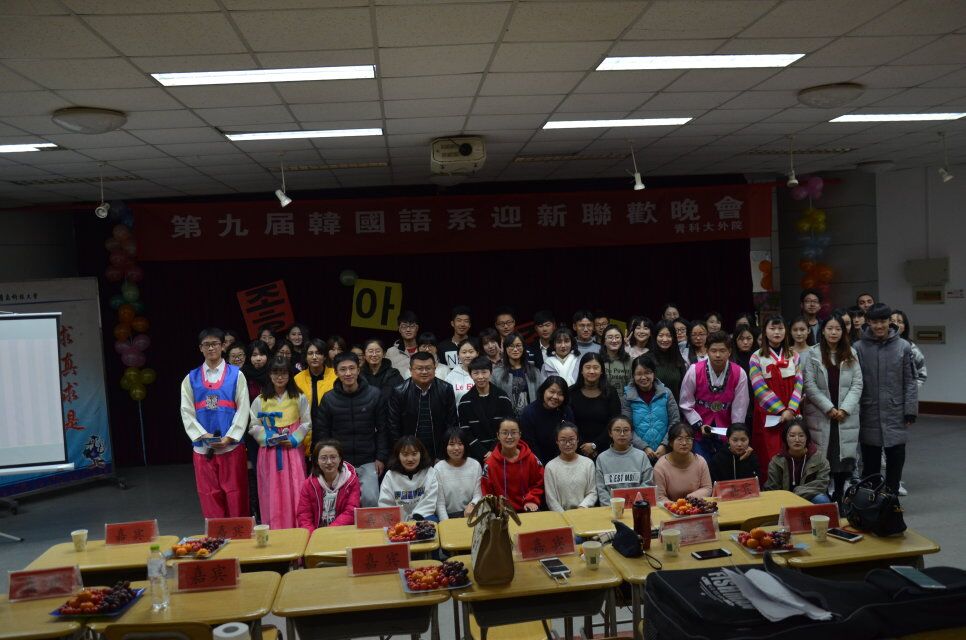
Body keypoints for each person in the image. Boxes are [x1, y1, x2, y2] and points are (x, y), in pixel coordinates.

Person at [180, 328, 251, 519]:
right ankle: (216, 535)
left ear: (223, 346)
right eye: (206, 345)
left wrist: (229, 437)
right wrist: (204, 436)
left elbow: (243, 409)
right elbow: (186, 411)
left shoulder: (237, 375)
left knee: (236, 494)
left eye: (215, 344)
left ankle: (238, 534)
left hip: (231, 447)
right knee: (209, 496)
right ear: (200, 348)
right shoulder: (190, 378)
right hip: (203, 449)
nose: (211, 348)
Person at [854, 303, 918, 494]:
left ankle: (891, 498)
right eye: (874, 322)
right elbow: (854, 382)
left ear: (889, 321)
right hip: (869, 411)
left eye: (883, 321)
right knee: (870, 462)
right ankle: (871, 501)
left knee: (896, 458)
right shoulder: (858, 347)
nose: (879, 326)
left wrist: (910, 410)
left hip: (895, 410)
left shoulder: (903, 347)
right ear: (868, 322)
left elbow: (910, 381)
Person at [312, 352, 389, 507]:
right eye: (343, 369)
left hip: (368, 460)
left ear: (358, 370)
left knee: (371, 499)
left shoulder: (374, 394)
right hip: (339, 462)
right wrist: (327, 460)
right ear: (336, 372)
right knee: (340, 504)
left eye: (352, 368)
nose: (348, 373)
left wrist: (381, 457)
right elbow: (322, 433)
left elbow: (383, 429)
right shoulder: (328, 399)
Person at [802, 315, 863, 503]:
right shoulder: (813, 354)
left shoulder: (851, 353)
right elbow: (809, 385)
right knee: (824, 454)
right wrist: (829, 408)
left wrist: (844, 409)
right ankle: (824, 497)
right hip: (822, 414)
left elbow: (857, 384)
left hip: (845, 415)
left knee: (842, 456)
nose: (834, 332)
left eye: (838, 329)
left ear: (843, 332)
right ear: (823, 331)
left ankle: (839, 495)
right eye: (830, 328)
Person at [249, 355, 310, 529]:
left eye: (283, 373)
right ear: (269, 375)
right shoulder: (260, 400)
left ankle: (297, 530)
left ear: (289, 375)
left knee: (295, 489)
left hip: (292, 451)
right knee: (271, 492)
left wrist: (294, 439)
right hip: (269, 453)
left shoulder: (299, 397)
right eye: (275, 373)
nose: (280, 377)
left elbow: (306, 422)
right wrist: (268, 437)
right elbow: (253, 425)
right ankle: (274, 530)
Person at [676, 330, 750, 465]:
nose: (718, 355)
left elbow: (740, 407)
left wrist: (735, 433)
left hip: (726, 430)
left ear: (729, 351)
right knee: (700, 466)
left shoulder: (739, 373)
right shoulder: (694, 370)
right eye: (713, 350)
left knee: (723, 468)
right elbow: (685, 403)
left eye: (722, 350)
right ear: (707, 351)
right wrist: (698, 424)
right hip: (698, 430)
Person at [749, 316, 803, 478]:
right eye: (772, 329)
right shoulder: (756, 357)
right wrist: (781, 411)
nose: (777, 332)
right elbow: (759, 388)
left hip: (792, 412)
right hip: (768, 414)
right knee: (770, 452)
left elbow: (799, 383)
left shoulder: (794, 355)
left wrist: (791, 409)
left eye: (780, 329)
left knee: (793, 448)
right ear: (765, 331)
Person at [388, 352, 459, 461]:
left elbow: (452, 423)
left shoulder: (445, 389)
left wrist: (445, 453)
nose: (424, 372)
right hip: (409, 451)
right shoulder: (399, 392)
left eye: (428, 368)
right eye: (419, 368)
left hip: (439, 450)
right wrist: (402, 452)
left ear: (435, 369)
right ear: (411, 370)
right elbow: (393, 426)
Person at [622, 354, 680, 464]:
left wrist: (664, 445)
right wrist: (644, 447)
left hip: (666, 452)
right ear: (633, 375)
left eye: (647, 372)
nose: (643, 377)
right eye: (639, 374)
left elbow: (675, 421)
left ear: (654, 373)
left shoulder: (666, 393)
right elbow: (626, 427)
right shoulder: (627, 397)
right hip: (638, 454)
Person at [458, 356, 514, 462]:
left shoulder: (502, 397)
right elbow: (465, 431)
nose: (480, 377)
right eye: (476, 373)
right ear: (470, 374)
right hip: (475, 455)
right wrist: (483, 453)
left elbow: (508, 426)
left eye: (484, 372)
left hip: (502, 451)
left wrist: (494, 451)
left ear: (491, 372)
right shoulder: (465, 401)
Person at [481, 418, 544, 512]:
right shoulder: (490, 464)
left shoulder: (531, 458)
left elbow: (539, 483)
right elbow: (487, 491)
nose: (509, 437)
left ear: (520, 435)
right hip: (501, 511)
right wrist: (496, 506)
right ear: (498, 435)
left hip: (528, 506)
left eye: (514, 432)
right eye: (505, 433)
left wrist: (532, 499)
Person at [297, 440, 361, 531]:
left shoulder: (351, 481)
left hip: (343, 531)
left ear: (340, 459)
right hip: (316, 533)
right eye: (323, 458)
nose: (329, 462)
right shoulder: (309, 484)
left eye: (333, 457)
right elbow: (304, 515)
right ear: (317, 461)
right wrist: (312, 535)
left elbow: (351, 511)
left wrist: (328, 532)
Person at [569, 353, 621, 460]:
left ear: (602, 371)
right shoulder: (571, 392)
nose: (592, 371)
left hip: (606, 449)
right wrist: (582, 445)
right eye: (588, 367)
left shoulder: (611, 392)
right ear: (581, 370)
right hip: (575, 447)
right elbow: (569, 422)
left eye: (596, 367)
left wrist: (595, 445)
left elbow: (614, 421)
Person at [765, 420, 831, 504]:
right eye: (792, 436)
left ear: (807, 438)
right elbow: (772, 488)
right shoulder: (776, 461)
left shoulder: (819, 459)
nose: (797, 440)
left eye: (801, 435)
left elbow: (822, 483)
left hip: (809, 496)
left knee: (821, 500)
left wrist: (796, 492)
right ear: (785, 438)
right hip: (784, 499)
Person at [378, 436, 441, 521]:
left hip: (423, 517)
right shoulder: (390, 475)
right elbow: (385, 504)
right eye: (405, 454)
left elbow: (429, 502)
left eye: (414, 454)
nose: (410, 459)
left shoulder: (430, 472)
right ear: (398, 455)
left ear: (421, 454)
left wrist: (414, 518)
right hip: (398, 520)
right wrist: (403, 520)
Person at [594, 416, 654, 506]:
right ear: (610, 433)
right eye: (617, 430)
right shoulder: (602, 458)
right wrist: (613, 507)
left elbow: (647, 483)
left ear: (631, 433)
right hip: (610, 509)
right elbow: (601, 490)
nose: (622, 434)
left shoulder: (641, 456)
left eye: (626, 430)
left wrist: (635, 504)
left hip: (637, 507)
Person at [294, 337, 338, 458]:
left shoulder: (335, 376)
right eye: (310, 353)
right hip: (304, 435)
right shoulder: (297, 379)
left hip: (330, 432)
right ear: (305, 357)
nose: (314, 357)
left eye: (318, 353)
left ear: (324, 356)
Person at [521, 375, 575, 465]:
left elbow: (570, 437)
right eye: (552, 392)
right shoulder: (529, 412)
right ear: (543, 391)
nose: (555, 397)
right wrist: (544, 465)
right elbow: (529, 444)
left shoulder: (566, 411)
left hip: (563, 460)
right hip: (537, 462)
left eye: (560, 394)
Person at [653, 422, 713, 502]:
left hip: (695, 505)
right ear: (671, 442)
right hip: (670, 508)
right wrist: (677, 506)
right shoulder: (660, 466)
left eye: (688, 439)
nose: (684, 443)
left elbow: (707, 488)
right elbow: (659, 497)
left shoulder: (700, 462)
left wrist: (689, 499)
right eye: (679, 439)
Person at [544, 422, 597, 511]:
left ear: (577, 440)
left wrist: (582, 508)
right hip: (561, 516)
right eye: (563, 440)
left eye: (571, 439)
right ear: (557, 441)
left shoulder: (588, 463)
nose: (568, 444)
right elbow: (551, 499)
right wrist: (565, 515)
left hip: (584, 513)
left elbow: (592, 492)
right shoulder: (550, 467)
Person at [434, 427, 483, 520]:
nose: (456, 448)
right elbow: (440, 504)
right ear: (445, 446)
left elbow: (478, 495)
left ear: (465, 446)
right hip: (448, 516)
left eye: (460, 444)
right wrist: (447, 524)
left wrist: (472, 505)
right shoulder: (438, 468)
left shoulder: (475, 465)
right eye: (451, 444)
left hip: (472, 513)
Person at [492, 332, 539, 418]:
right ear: (505, 349)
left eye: (518, 346)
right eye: (511, 346)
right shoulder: (496, 372)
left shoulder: (534, 371)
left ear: (523, 347)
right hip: (507, 419)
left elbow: (541, 396)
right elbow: (493, 398)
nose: (515, 349)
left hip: (531, 418)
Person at [651, 320, 688, 401]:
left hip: (675, 405)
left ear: (673, 338)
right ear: (655, 337)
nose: (665, 339)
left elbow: (683, 388)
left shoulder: (678, 359)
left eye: (669, 336)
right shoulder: (647, 359)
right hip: (653, 406)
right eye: (661, 335)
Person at [891, 309, 927, 389]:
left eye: (899, 322)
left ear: (904, 327)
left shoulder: (911, 348)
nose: (895, 324)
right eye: (892, 321)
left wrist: (910, 391)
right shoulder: (880, 345)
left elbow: (922, 375)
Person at [731, 326, 758, 426]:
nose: (745, 342)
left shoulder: (759, 357)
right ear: (735, 340)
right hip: (735, 402)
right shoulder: (730, 359)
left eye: (749, 338)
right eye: (741, 339)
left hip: (755, 401)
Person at [601, 324, 632, 397]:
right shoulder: (598, 360)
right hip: (604, 400)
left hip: (626, 401)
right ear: (604, 341)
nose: (614, 340)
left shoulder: (629, 360)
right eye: (610, 337)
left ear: (622, 340)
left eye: (617, 337)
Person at [438, 305, 472, 370]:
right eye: (459, 320)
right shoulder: (442, 346)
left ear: (469, 325)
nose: (462, 324)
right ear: (452, 323)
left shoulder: (476, 343)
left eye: (466, 321)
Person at [444, 338, 479, 403]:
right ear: (458, 355)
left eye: (471, 352)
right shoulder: (451, 376)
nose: (467, 355)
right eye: (464, 352)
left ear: (477, 354)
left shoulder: (483, 373)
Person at [387, 310, 420, 376]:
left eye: (412, 326)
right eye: (404, 326)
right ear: (399, 329)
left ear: (417, 328)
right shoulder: (391, 352)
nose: (408, 330)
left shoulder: (425, 349)